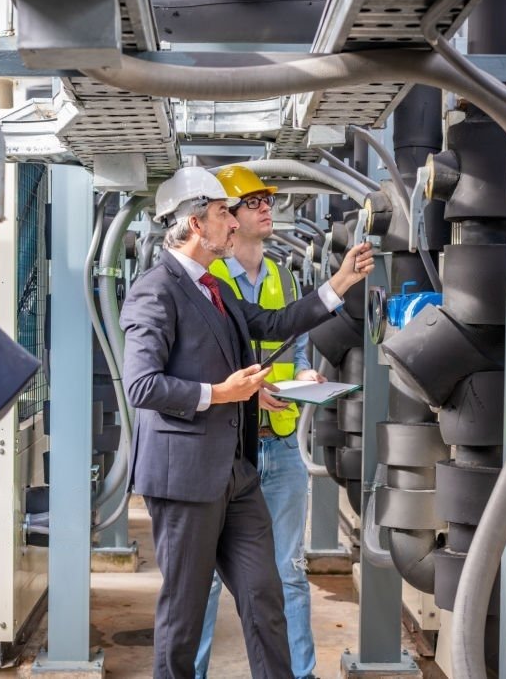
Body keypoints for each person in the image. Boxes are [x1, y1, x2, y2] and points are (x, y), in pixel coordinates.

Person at [120, 165, 373, 679]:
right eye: (221, 214)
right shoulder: (157, 290)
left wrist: (340, 282)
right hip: (186, 477)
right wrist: (221, 393)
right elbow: (141, 386)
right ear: (194, 224)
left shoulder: (215, 288)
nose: (233, 224)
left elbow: (273, 325)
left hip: (236, 474)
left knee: (264, 597)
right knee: (184, 613)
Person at [194, 165, 321, 679]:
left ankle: (300, 674)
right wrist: (250, 394)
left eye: (268, 199)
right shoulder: (209, 279)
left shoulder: (285, 275)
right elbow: (198, 364)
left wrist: (307, 374)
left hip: (283, 445)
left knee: (289, 572)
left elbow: (297, 342)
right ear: (226, 217)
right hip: (230, 449)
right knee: (201, 577)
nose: (267, 207)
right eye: (253, 202)